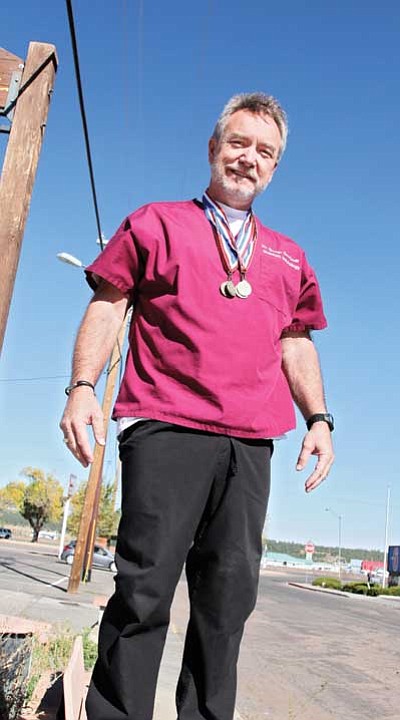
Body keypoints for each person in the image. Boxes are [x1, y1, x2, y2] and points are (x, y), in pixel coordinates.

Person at [60, 92, 334, 720]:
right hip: (167, 428)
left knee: (228, 605)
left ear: (275, 168)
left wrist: (319, 419)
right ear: (214, 149)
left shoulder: (290, 257)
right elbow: (109, 303)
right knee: (145, 591)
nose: (249, 159)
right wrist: (81, 386)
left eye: (264, 152)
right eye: (238, 144)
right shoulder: (156, 223)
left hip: (249, 445)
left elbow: (297, 342)